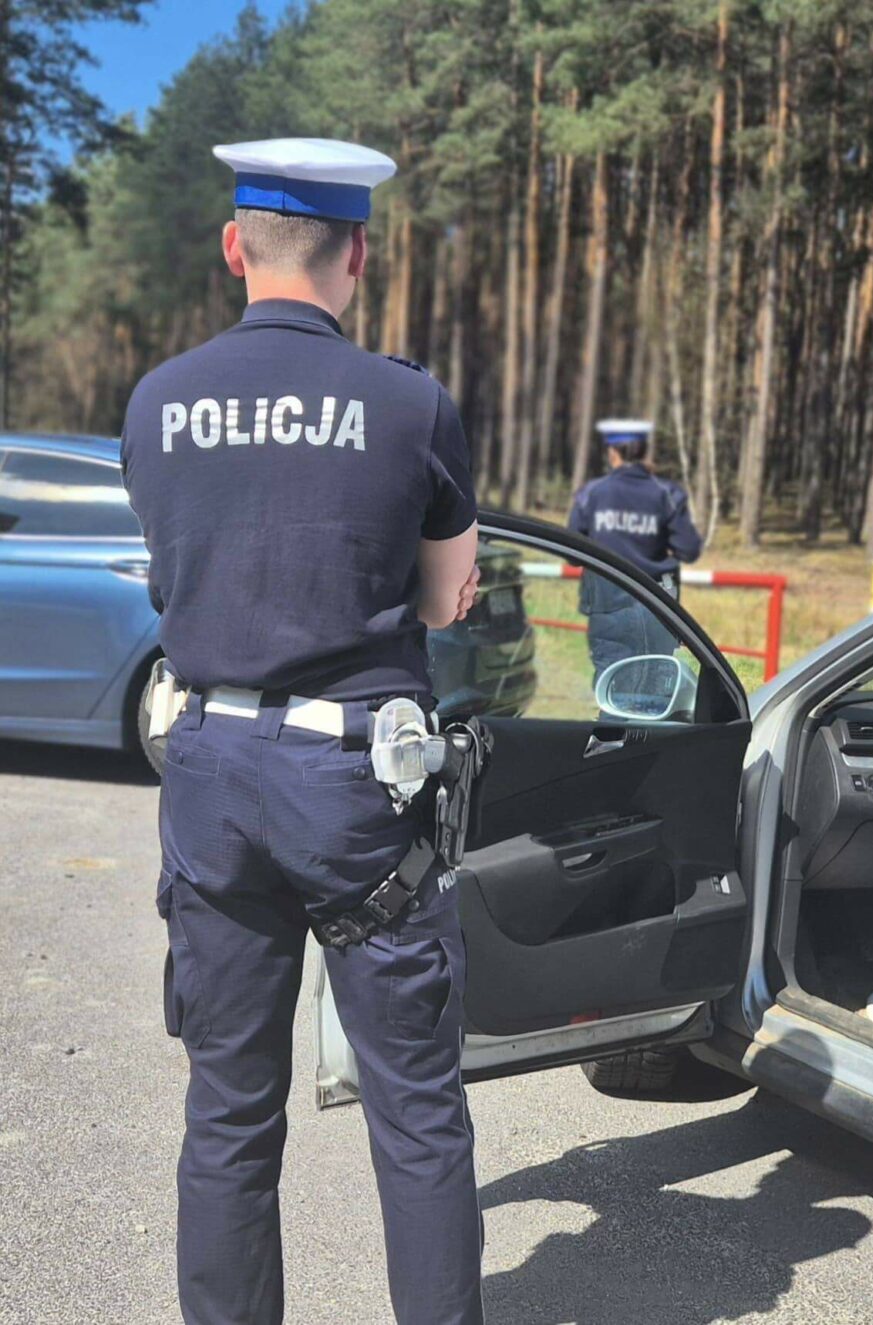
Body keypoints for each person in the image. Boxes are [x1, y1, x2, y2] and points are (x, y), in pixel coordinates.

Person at [120, 138, 485, 1325]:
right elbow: (444, 599)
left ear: (236, 247)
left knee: (228, 1109)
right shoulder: (408, 400)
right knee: (416, 1112)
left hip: (211, 770)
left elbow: (175, 571)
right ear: (358, 254)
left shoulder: (158, 399)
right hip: (355, 782)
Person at [568, 419, 702, 680]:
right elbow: (689, 549)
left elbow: (573, 553)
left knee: (612, 686)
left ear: (612, 453)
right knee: (658, 691)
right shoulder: (668, 493)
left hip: (607, 604)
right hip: (658, 603)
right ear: (643, 451)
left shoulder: (591, 493)